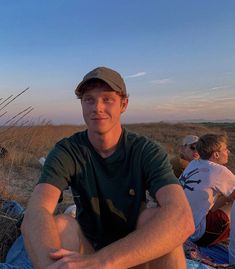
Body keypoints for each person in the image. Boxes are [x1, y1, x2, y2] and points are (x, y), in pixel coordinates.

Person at [4, 66, 193, 269]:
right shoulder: (68, 151)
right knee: (61, 225)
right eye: (89, 99)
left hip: (134, 254)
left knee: (156, 220)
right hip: (88, 250)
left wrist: (104, 262)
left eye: (107, 99)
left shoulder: (145, 151)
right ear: (82, 105)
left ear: (124, 104)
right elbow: (37, 210)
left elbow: (182, 217)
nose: (97, 107)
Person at [179, 133, 235, 247]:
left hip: (182, 229)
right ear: (216, 155)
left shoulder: (194, 163)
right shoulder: (219, 170)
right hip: (199, 234)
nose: (228, 152)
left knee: (226, 195)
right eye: (225, 149)